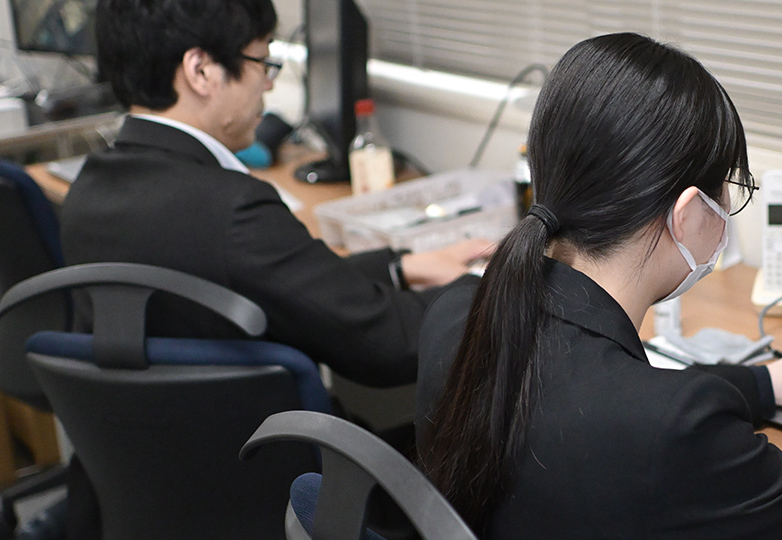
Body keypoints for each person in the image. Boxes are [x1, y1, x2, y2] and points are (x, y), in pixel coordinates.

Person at [415, 33, 782, 540]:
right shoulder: (667, 428)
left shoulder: (459, 315)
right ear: (690, 211)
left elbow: (612, 394)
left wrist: (766, 384)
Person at [57, 1, 488, 538]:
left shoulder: (90, 192)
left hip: (171, 488)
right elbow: (390, 346)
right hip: (291, 492)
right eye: (262, 62)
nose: (269, 84)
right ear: (201, 70)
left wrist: (400, 266)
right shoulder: (231, 209)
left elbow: (273, 279)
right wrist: (490, 285)